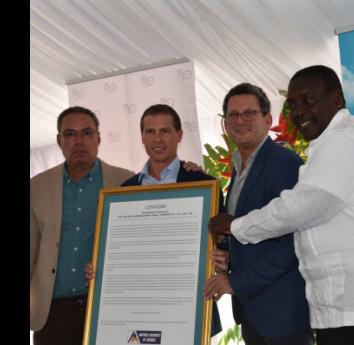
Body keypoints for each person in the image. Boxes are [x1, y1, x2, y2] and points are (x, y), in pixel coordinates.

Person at [208, 66, 354, 345]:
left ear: (336, 99)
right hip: (346, 305)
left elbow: (298, 210)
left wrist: (235, 226)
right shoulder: (327, 145)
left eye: (309, 100)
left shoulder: (343, 141)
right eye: (293, 104)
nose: (299, 111)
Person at [84, 103, 226, 336]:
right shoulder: (123, 192)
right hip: (136, 315)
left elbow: (221, 247)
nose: (157, 139)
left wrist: (222, 264)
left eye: (165, 131)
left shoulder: (203, 185)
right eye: (150, 131)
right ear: (142, 137)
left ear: (179, 135)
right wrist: (100, 268)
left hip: (189, 313)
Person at [204, 83, 313, 345]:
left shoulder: (284, 164)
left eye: (249, 113)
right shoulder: (238, 166)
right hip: (253, 313)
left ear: (267, 119)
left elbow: (293, 243)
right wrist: (228, 256)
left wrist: (235, 282)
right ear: (225, 123)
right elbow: (251, 233)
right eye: (233, 115)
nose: (240, 121)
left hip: (283, 314)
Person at [30, 106, 135, 345]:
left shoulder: (126, 182)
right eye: (70, 134)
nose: (79, 141)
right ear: (59, 140)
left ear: (98, 138)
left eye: (86, 133)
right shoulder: (36, 187)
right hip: (53, 314)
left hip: (109, 309)